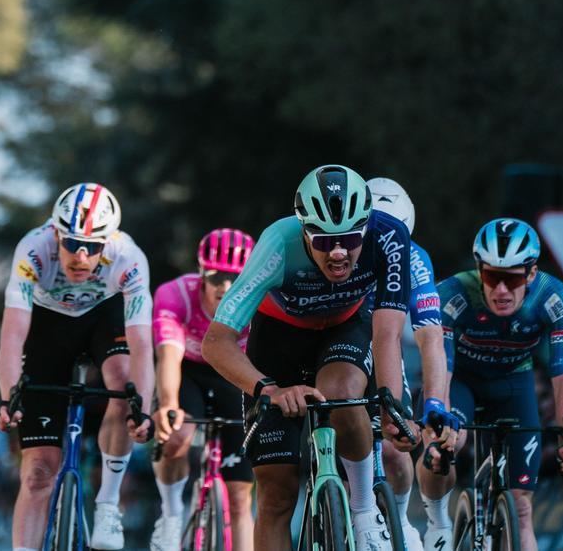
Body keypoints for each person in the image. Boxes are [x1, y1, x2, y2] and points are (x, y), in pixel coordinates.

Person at [201, 164, 420, 551]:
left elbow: (387, 332)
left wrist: (392, 406)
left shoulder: (390, 236)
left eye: (350, 239)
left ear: (367, 226)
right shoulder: (277, 244)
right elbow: (216, 342)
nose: (338, 253)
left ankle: (365, 510)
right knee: (276, 492)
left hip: (344, 329)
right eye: (322, 242)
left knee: (340, 390)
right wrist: (266, 388)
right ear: (304, 231)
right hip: (278, 342)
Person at [0, 182, 154, 551]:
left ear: (108, 241)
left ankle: (108, 503)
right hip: (48, 325)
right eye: (71, 244)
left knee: (122, 382)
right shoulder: (33, 250)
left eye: (93, 247)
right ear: (56, 234)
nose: (81, 256)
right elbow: (13, 335)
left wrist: (143, 408)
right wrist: (8, 398)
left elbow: (143, 343)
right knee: (37, 473)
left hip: (104, 317)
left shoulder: (129, 257)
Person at [417, 218, 563, 550]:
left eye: (512, 279)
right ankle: (435, 521)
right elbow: (440, 369)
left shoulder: (555, 298)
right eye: (491, 277)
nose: (501, 290)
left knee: (522, 507)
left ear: (531, 274)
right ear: (478, 270)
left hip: (513, 384)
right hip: (461, 381)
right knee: (448, 442)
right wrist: (436, 433)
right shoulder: (452, 293)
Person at [365, 177, 457, 551]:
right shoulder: (341, 246)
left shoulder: (415, 259)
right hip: (335, 341)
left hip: (382, 350)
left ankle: (399, 520)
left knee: (395, 450)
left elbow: (431, 337)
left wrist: (434, 401)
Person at [150, 228, 256, 551]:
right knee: (177, 435)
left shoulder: (262, 302)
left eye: (235, 279)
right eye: (216, 278)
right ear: (201, 275)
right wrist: (168, 404)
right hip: (188, 372)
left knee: (240, 497)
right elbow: (168, 356)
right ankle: (170, 515)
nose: (225, 288)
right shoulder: (175, 295)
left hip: (234, 376)